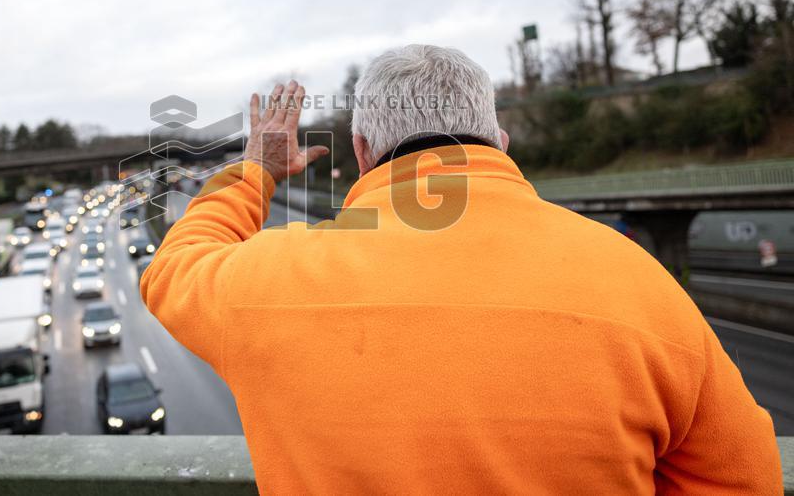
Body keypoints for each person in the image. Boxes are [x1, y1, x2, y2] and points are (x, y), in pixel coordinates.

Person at [141, 44, 781, 494]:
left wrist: (254, 170)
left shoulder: (275, 281)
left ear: (362, 153)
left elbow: (175, 266)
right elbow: (741, 475)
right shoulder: (639, 280)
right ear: (501, 142)